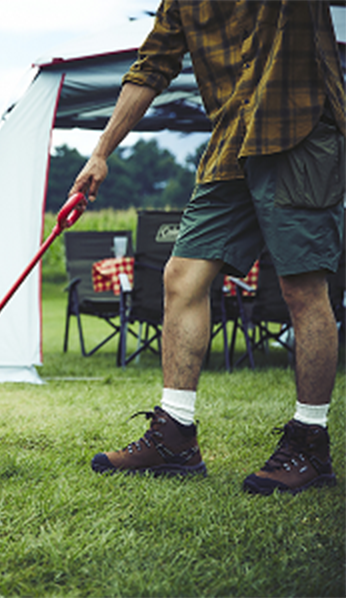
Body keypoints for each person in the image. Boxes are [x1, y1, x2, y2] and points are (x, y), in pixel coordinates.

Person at [70, 0, 346, 495]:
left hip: (298, 128)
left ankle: (310, 442)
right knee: (182, 276)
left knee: (302, 287)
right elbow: (150, 68)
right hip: (230, 144)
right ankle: (175, 436)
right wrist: (100, 153)